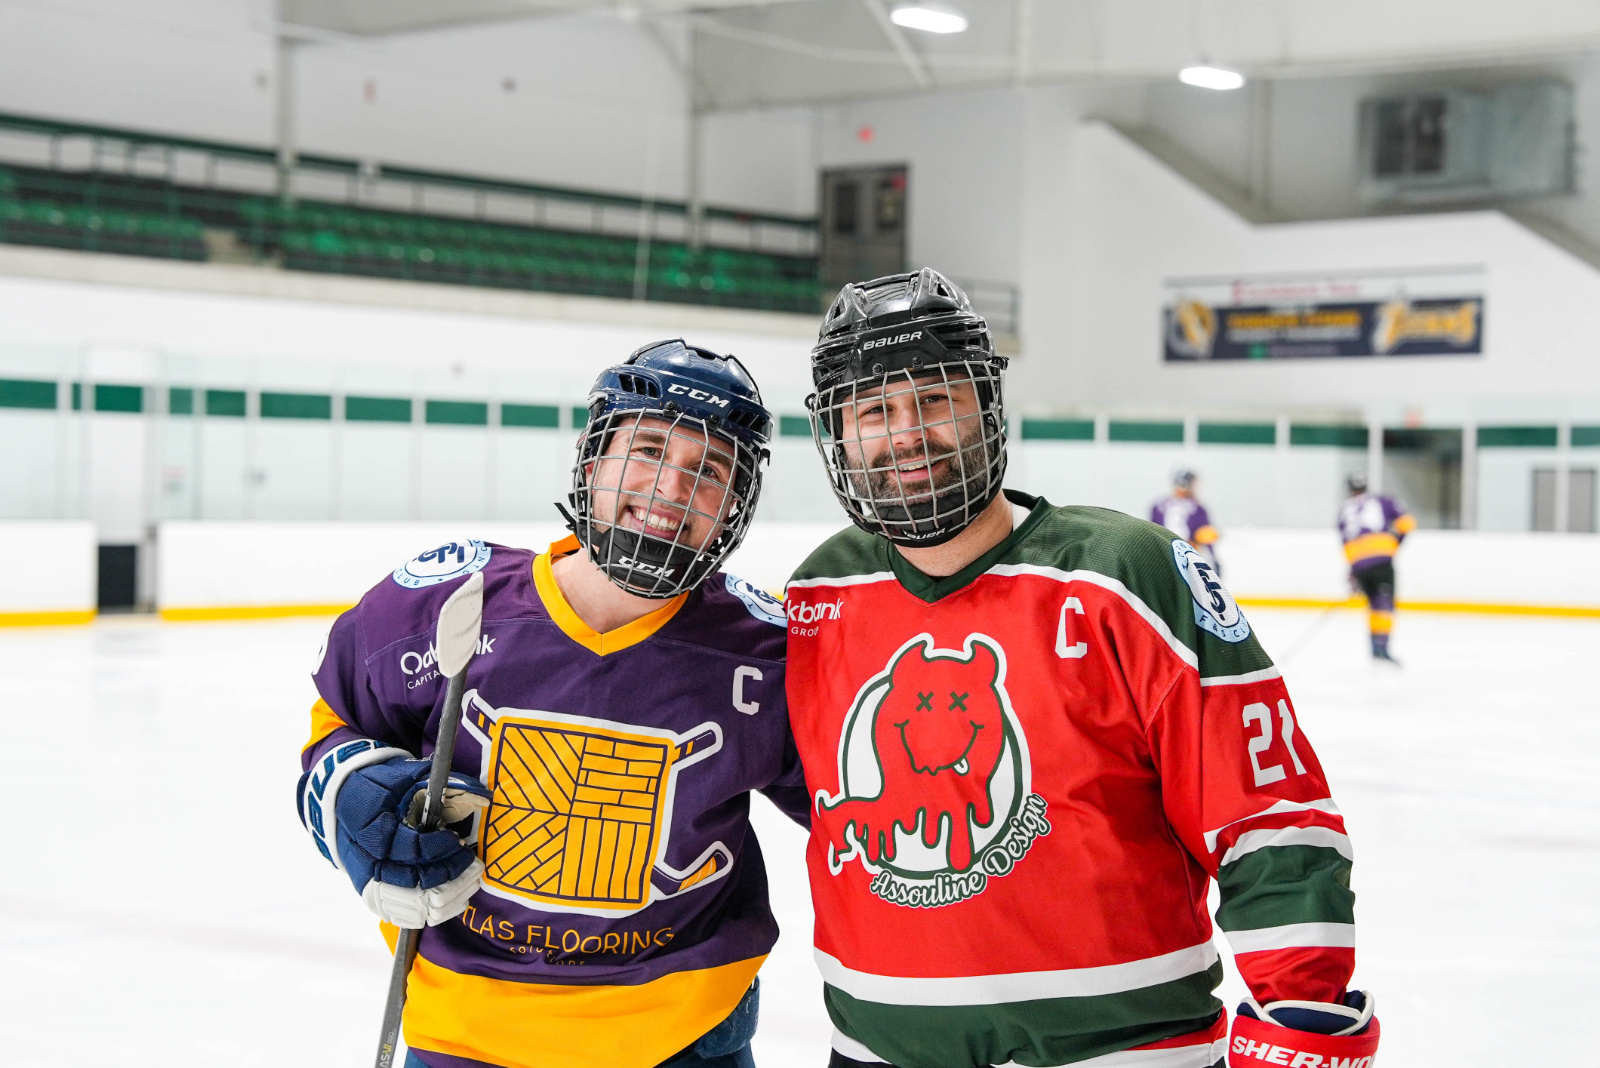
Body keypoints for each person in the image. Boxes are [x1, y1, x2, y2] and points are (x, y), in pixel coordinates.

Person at [786, 270, 1378, 1068]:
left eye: (935, 398)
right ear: (836, 436)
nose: (908, 433)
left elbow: (1264, 806)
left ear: (986, 404)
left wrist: (1302, 1006)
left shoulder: (1124, 572)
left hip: (1123, 1050)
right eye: (873, 412)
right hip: (876, 1050)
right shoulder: (819, 593)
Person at [296, 339, 810, 1068]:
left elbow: (857, 809)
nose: (672, 487)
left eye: (711, 471)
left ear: (735, 506)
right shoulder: (448, 603)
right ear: (592, 459)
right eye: (649, 450)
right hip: (464, 1035)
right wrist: (356, 794)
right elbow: (339, 721)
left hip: (685, 1040)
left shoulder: (765, 652)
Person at [1337, 472, 1414, 663]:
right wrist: (1393, 544)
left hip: (1358, 563)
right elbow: (1407, 523)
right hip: (1381, 560)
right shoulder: (1382, 500)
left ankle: (1374, 647)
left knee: (1372, 603)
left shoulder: (1345, 510)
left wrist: (1353, 571)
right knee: (1384, 604)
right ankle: (1381, 647)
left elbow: (1345, 541)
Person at [1152, 468, 1222, 573]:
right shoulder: (1196, 508)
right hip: (1186, 559)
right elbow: (1204, 537)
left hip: (1164, 559)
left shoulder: (1159, 506)